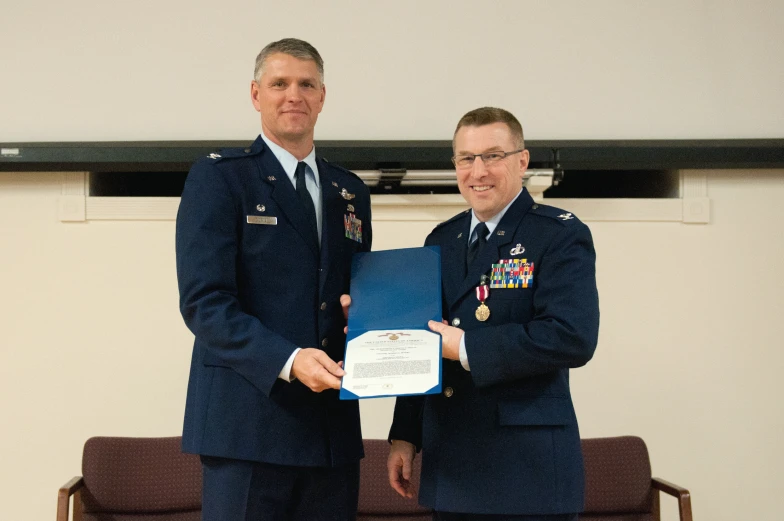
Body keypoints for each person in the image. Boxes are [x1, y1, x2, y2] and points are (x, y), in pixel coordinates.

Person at [176, 38, 372, 521]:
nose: (294, 95)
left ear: (322, 97)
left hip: (330, 431)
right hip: (248, 426)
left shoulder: (349, 191)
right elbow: (205, 303)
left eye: (307, 84)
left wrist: (365, 315)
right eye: (279, 83)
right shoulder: (220, 178)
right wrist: (288, 360)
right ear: (255, 93)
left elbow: (353, 291)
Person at [387, 107, 599, 521]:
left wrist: (466, 346)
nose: (478, 170)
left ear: (522, 160)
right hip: (452, 468)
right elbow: (421, 338)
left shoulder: (557, 234)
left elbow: (572, 335)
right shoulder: (442, 239)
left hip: (527, 474)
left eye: (493, 155)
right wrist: (405, 437)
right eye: (466, 158)